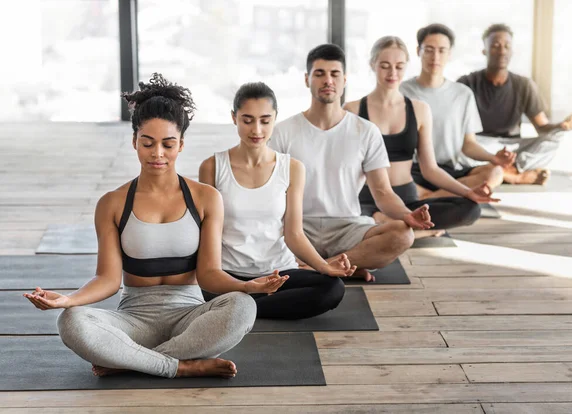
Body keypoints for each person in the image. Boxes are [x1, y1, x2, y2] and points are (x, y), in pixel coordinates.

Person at [23, 74, 288, 379]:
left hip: (190, 318)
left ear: (181, 144)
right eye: (148, 143)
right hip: (133, 319)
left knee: (243, 307)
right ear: (135, 141)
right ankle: (180, 366)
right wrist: (68, 300)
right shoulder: (112, 203)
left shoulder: (206, 198)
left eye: (168, 144)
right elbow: (107, 279)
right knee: (70, 322)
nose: (157, 153)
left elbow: (209, 274)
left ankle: (128, 361)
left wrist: (246, 286)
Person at [269, 44, 434, 282]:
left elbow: (383, 192)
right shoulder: (283, 131)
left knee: (402, 235)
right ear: (307, 79)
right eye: (319, 74)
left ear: (344, 80)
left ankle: (317, 268)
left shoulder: (365, 131)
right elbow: (271, 193)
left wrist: (408, 216)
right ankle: (341, 266)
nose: (328, 80)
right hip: (297, 228)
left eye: (335, 74)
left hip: (348, 228)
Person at [199, 82, 353, 319]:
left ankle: (242, 309)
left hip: (279, 272)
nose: (256, 129)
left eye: (265, 120)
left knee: (332, 289)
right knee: (202, 290)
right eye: (247, 120)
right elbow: (207, 234)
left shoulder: (291, 168)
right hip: (230, 274)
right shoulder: (212, 167)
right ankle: (245, 300)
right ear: (234, 118)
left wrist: (324, 266)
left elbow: (294, 234)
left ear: (275, 119)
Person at [345, 36, 499, 233]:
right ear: (372, 64)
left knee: (470, 209)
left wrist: (468, 192)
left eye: (399, 66)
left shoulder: (419, 110)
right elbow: (346, 168)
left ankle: (394, 228)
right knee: (361, 219)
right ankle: (398, 228)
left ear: (406, 66)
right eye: (385, 66)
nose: (392, 73)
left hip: (407, 199)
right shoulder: (353, 110)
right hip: (367, 199)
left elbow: (430, 169)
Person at [399, 24, 516, 199]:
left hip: (450, 171)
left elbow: (468, 144)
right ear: (418, 51)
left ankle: (428, 198)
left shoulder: (462, 94)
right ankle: (450, 197)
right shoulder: (401, 91)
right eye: (429, 50)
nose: (435, 57)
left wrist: (493, 158)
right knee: (389, 177)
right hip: (413, 170)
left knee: (496, 172)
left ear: (450, 54)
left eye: (442, 50)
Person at [458, 23, 572, 185]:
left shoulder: (524, 85)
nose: (502, 51)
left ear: (512, 51)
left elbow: (542, 127)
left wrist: (561, 126)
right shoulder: (467, 83)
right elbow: (455, 130)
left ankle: (506, 170)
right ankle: (514, 175)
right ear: (484, 51)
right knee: (454, 149)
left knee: (557, 138)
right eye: (495, 46)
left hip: (513, 149)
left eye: (507, 46)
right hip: (479, 145)